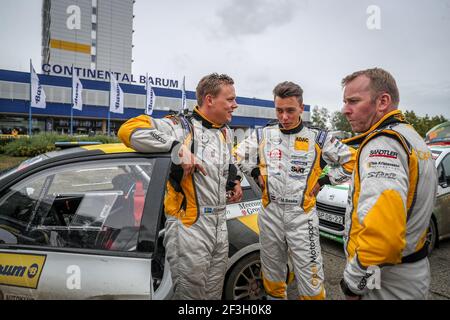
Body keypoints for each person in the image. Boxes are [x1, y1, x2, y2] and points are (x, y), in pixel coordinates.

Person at [118, 73, 243, 299]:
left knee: (213, 294)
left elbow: (228, 161)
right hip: (189, 227)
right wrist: (178, 148)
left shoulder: (225, 131)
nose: (235, 105)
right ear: (209, 99)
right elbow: (128, 128)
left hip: (220, 225)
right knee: (191, 297)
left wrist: (235, 180)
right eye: (230, 99)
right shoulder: (179, 127)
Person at [233, 81, 356, 300]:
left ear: (301, 108)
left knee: (311, 277)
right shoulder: (263, 135)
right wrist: (253, 173)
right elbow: (236, 155)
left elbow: (352, 161)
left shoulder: (318, 137)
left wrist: (325, 179)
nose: (284, 117)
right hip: (270, 213)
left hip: (302, 216)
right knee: (271, 273)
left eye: (290, 110)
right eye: (279, 110)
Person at [339, 68, 438, 300]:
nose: (345, 110)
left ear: (383, 101)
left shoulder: (382, 145)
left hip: (385, 280)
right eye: (345, 102)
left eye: (353, 101)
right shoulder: (412, 137)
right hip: (412, 273)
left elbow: (382, 239)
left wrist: (353, 284)